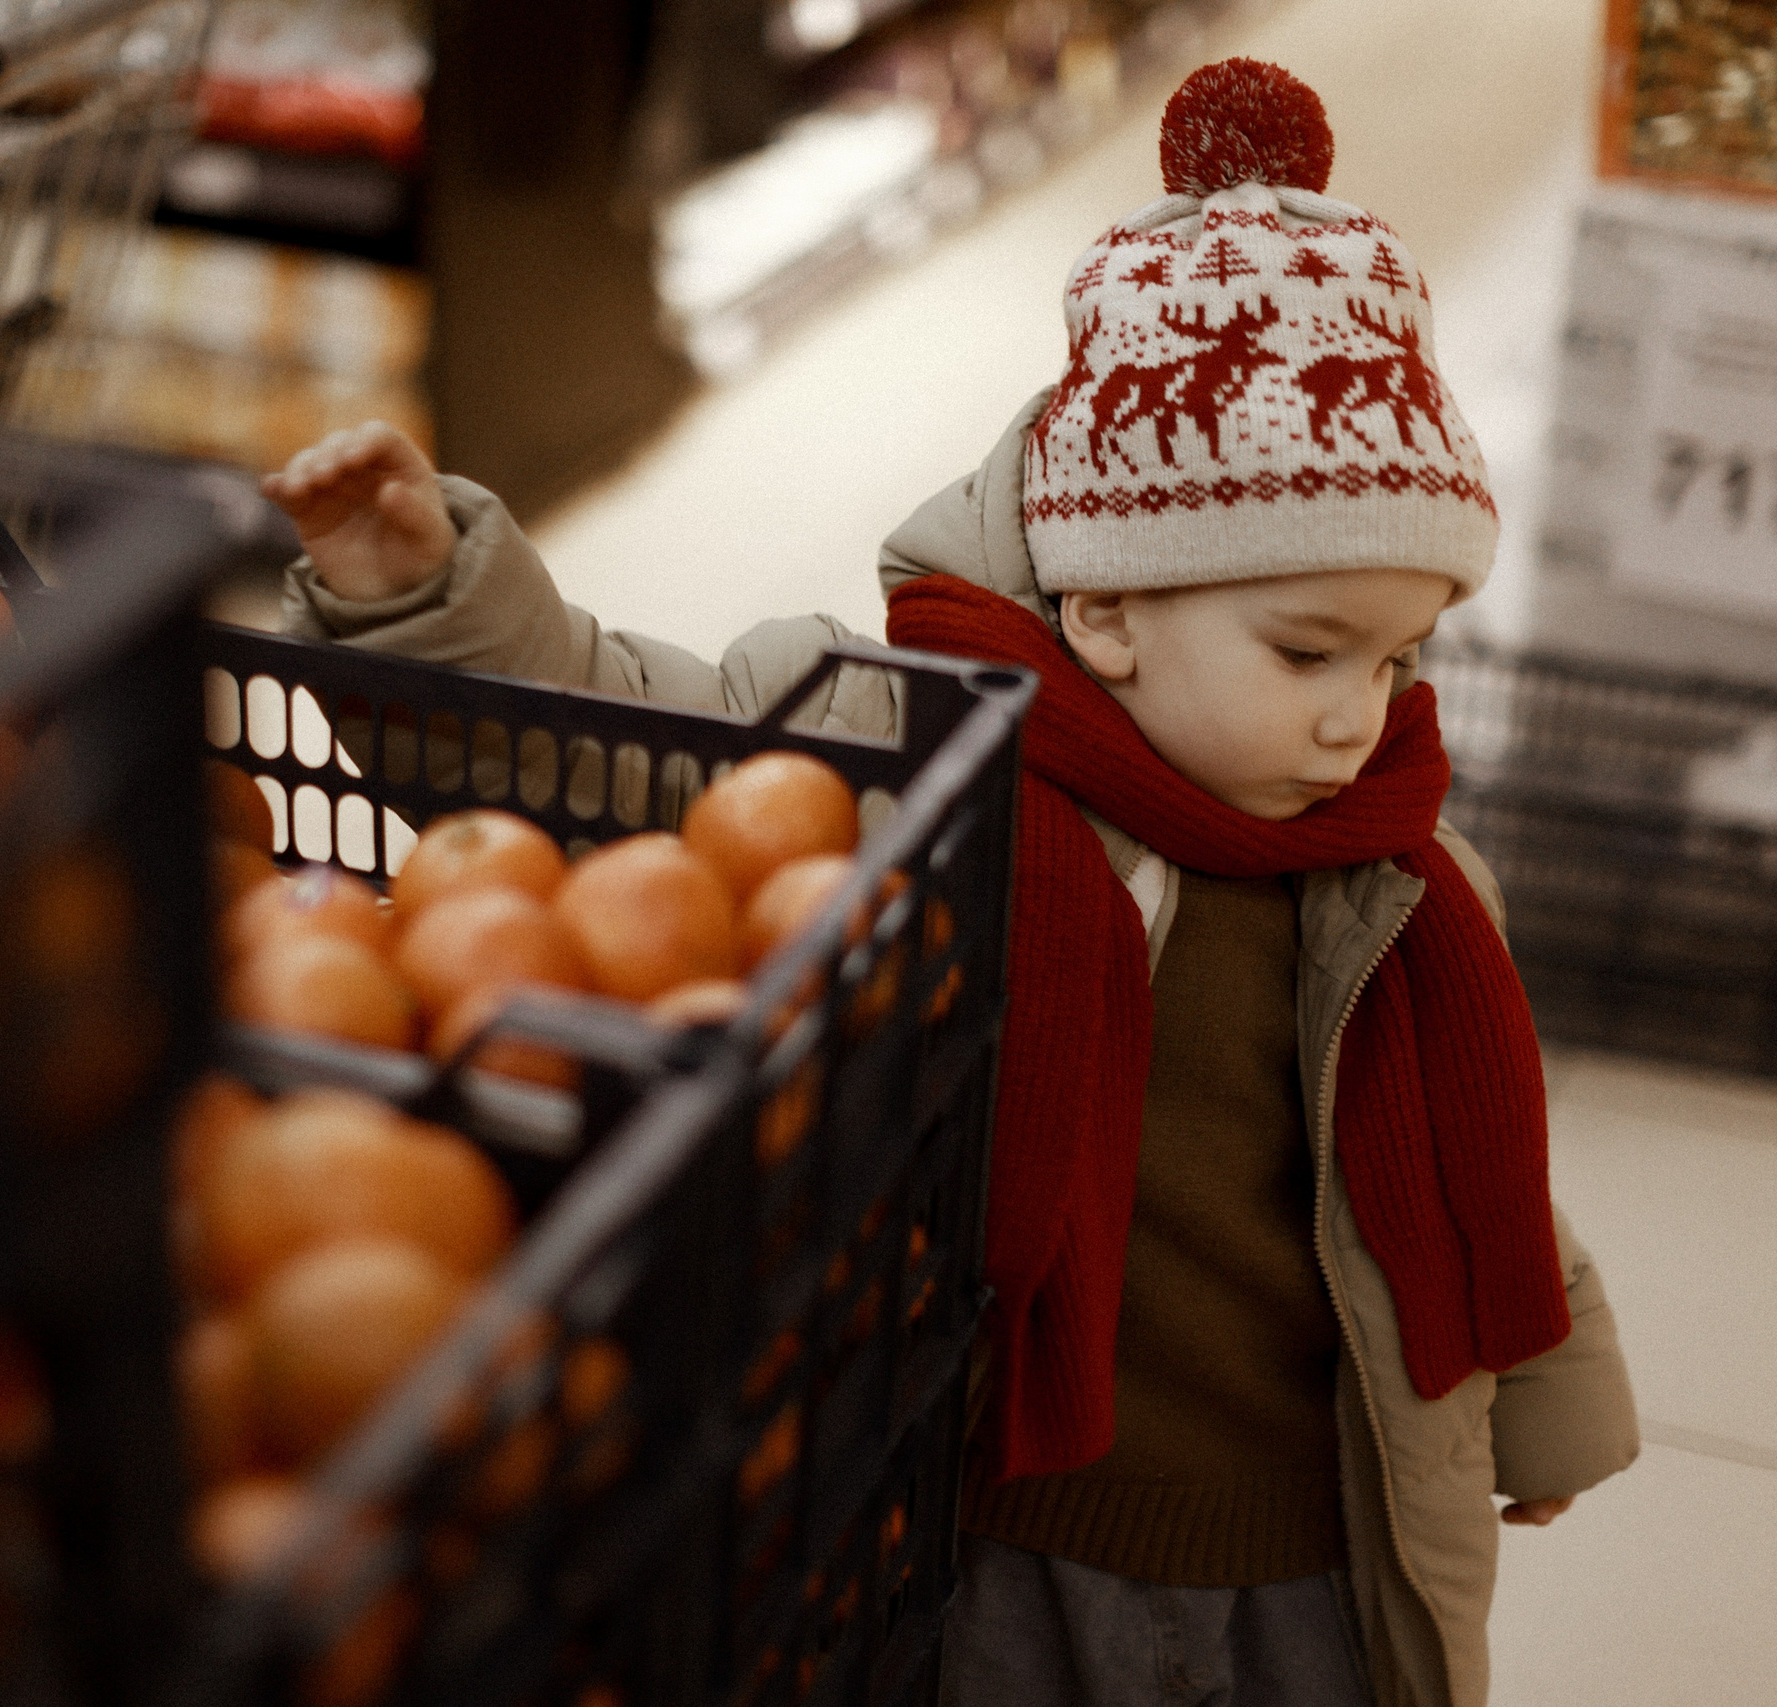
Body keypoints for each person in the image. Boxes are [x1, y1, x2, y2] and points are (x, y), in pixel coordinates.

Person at [259, 58, 1637, 1707]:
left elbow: (1477, 1175)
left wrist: (1551, 1395)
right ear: (1114, 604)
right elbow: (627, 748)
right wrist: (434, 603)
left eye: (1405, 653)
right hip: (1003, 1525)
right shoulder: (907, 748)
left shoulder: (1402, 878)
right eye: (1308, 651)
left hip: (1317, 1552)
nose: (1367, 716)